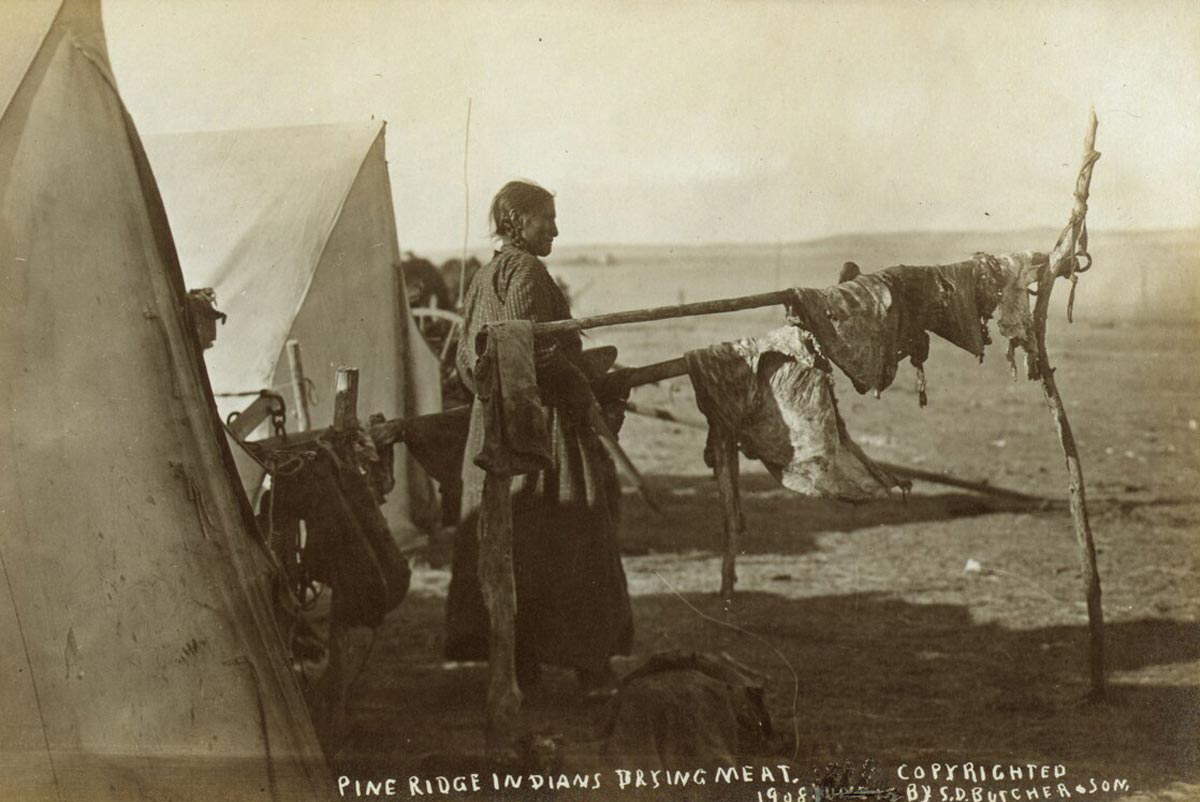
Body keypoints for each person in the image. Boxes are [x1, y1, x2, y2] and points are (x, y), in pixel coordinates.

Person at [445, 180, 633, 695]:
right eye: (545, 218)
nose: (555, 228)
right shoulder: (526, 270)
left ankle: (521, 663)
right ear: (517, 222)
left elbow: (468, 358)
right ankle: (589, 666)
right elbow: (529, 349)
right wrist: (583, 384)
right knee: (577, 536)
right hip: (541, 429)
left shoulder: (485, 275)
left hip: (497, 427)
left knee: (518, 542)